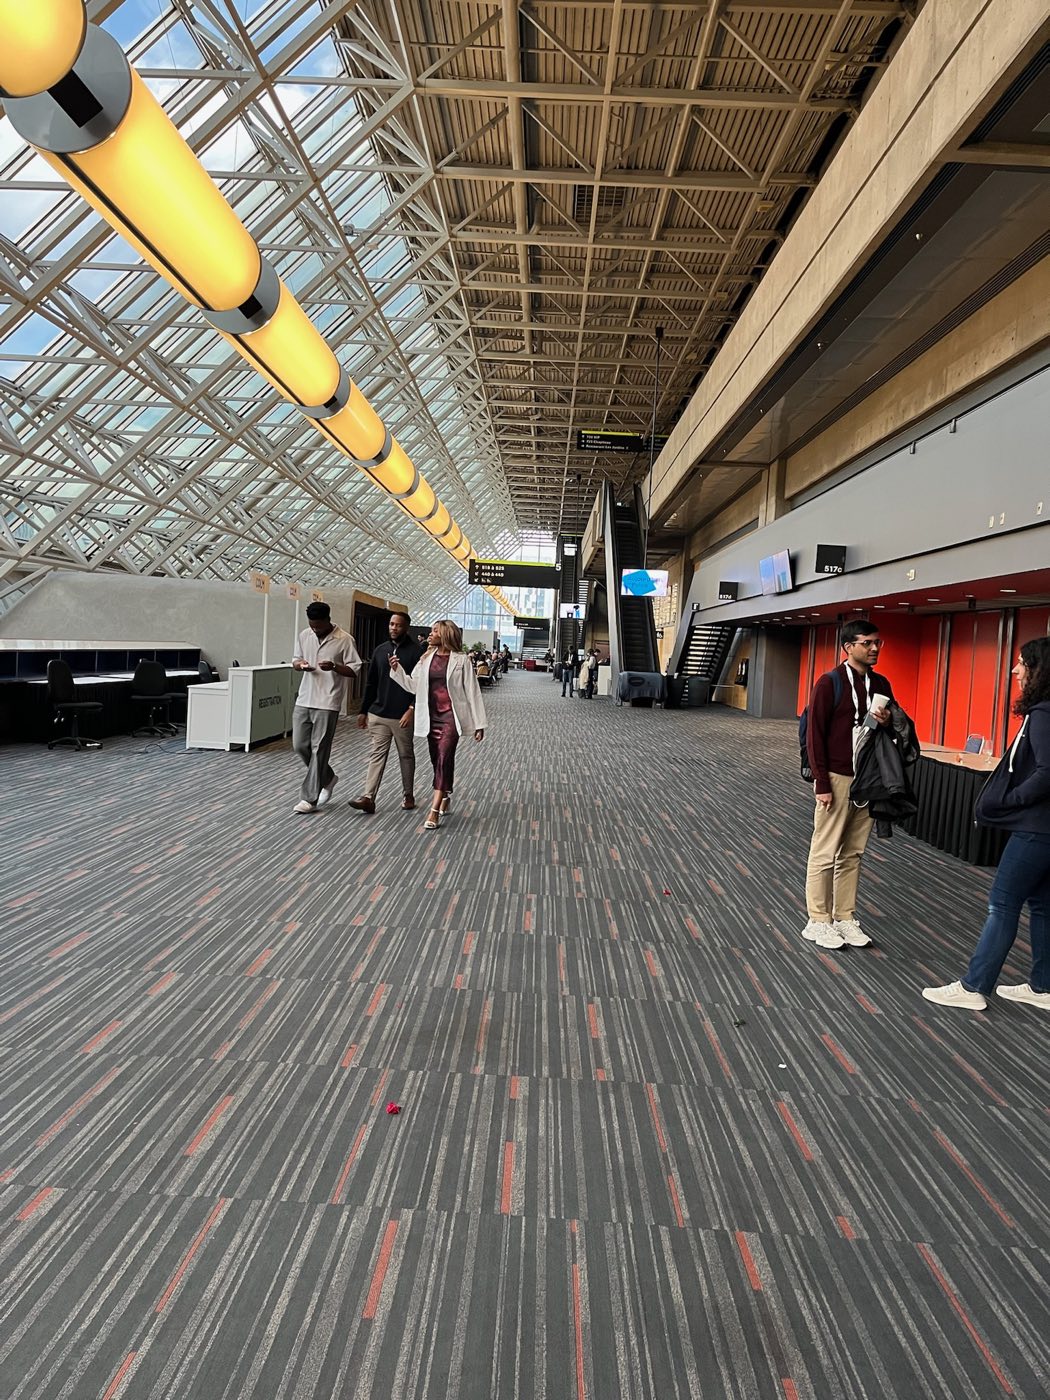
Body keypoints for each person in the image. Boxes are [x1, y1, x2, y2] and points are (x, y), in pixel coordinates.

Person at [923, 636, 1050, 1011]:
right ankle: (1043, 987)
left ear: (1038, 669)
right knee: (1042, 905)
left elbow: (1047, 772)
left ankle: (974, 986)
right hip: (1046, 829)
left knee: (1002, 903)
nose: (1015, 670)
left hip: (1037, 829)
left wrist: (1012, 800)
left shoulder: (1042, 713)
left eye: (1022, 663)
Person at [802, 621, 893, 949]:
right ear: (848, 647)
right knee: (825, 850)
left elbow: (894, 729)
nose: (874, 648)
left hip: (869, 777)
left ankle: (844, 916)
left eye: (877, 643)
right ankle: (818, 919)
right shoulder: (829, 683)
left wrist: (888, 721)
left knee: (853, 852)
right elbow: (814, 735)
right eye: (867, 642)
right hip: (838, 777)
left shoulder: (881, 683)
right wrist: (821, 781)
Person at [389, 619, 486, 830]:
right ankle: (446, 794)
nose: (430, 634)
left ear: (445, 635)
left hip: (452, 717)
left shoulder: (461, 661)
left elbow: (473, 692)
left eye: (434, 631)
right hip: (431, 717)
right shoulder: (426, 658)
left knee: (443, 758)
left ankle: (433, 811)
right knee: (438, 760)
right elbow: (413, 686)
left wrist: (480, 723)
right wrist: (397, 670)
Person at [348, 611, 424, 815]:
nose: (393, 628)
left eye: (398, 625)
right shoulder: (380, 651)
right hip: (379, 713)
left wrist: (412, 709)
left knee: (405, 755)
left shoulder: (417, 653)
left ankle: (408, 794)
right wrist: (364, 710)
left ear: (406, 627)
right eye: (391, 624)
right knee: (377, 755)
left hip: (402, 715)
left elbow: (421, 686)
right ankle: (368, 797)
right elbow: (371, 682)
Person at [290, 602, 362, 814]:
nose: (315, 630)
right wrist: (301, 665)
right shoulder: (305, 635)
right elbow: (295, 660)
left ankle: (309, 799)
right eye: (312, 626)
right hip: (304, 698)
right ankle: (328, 778)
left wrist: (334, 667)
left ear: (328, 620)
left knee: (319, 749)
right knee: (300, 745)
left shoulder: (344, 640)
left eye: (319, 626)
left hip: (328, 701)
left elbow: (354, 670)